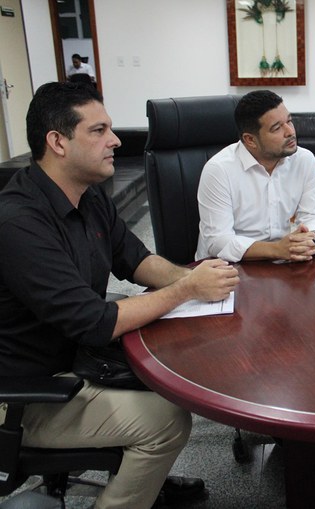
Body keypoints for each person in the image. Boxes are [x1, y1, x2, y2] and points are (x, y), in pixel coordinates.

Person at [0, 82, 240, 509]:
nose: (115, 140)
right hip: (27, 391)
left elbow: (137, 260)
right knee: (167, 421)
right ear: (57, 142)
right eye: (98, 131)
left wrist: (204, 281)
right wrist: (186, 289)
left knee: (172, 375)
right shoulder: (19, 223)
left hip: (75, 360)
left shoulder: (87, 195)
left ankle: (145, 477)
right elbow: (94, 322)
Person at [196, 90, 315, 263]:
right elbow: (218, 241)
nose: (290, 132)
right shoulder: (219, 170)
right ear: (250, 140)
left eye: (289, 121)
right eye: (277, 128)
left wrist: (311, 237)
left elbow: (312, 215)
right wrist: (276, 249)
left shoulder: (303, 159)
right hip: (229, 266)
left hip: (283, 261)